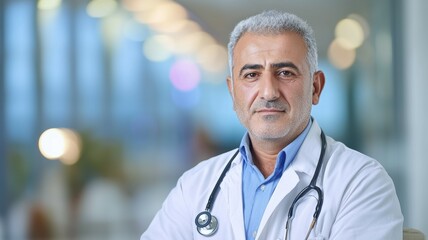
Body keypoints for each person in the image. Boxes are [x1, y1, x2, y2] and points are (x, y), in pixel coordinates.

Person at [140, 10, 403, 239]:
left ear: (315, 87)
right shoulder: (195, 185)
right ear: (233, 92)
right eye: (252, 74)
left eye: (285, 73)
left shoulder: (362, 182)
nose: (268, 91)